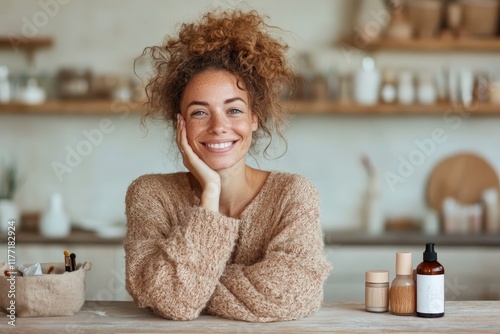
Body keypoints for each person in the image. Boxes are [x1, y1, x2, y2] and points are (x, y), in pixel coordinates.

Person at [124, 9, 332, 323]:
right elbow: (172, 302)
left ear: (253, 119)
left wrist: (189, 285)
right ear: (179, 124)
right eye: (199, 113)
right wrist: (210, 196)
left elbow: (289, 294)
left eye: (233, 110)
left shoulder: (292, 194)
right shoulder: (150, 194)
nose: (219, 126)